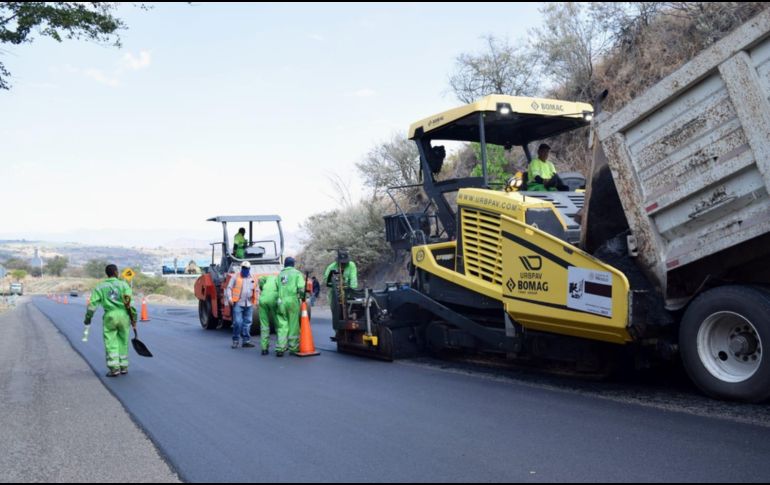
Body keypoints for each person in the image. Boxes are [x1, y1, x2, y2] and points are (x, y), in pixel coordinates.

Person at [83, 264, 137, 377]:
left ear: (107, 274)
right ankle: (124, 367)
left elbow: (92, 305)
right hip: (124, 316)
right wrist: (134, 319)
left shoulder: (100, 287)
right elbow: (130, 304)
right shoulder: (124, 285)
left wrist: (88, 318)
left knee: (111, 342)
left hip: (110, 317)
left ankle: (114, 369)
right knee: (123, 341)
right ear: (116, 272)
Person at [275, 257, 305, 356]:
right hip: (292, 301)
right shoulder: (297, 273)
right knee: (293, 325)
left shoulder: (280, 274)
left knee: (282, 325)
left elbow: (277, 287)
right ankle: (293, 347)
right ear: (293, 264)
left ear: (285, 264)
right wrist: (302, 297)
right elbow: (301, 288)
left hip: (281, 301)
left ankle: (280, 348)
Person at [225, 261, 258, 349]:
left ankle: (246, 341)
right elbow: (229, 288)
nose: (245, 270)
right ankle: (235, 340)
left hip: (249, 304)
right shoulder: (235, 277)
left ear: (249, 269)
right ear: (241, 268)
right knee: (238, 323)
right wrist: (230, 298)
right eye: (243, 268)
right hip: (238, 303)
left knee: (247, 323)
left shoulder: (253, 278)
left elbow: (257, 290)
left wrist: (256, 302)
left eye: (246, 268)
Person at [257, 274, 278, 356]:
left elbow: (260, 279)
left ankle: (264, 348)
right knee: (278, 324)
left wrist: (262, 288)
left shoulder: (267, 277)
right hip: (273, 299)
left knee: (264, 325)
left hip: (263, 299)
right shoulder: (279, 278)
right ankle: (279, 347)